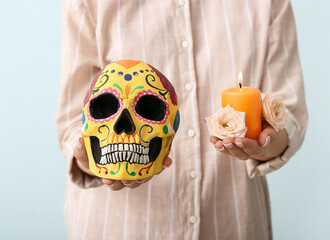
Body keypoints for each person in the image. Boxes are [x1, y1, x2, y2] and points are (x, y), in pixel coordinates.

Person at [56, 0, 308, 239]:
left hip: (233, 224)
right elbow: (73, 121)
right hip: (117, 228)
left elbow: (288, 114)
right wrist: (92, 159)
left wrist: (266, 142)